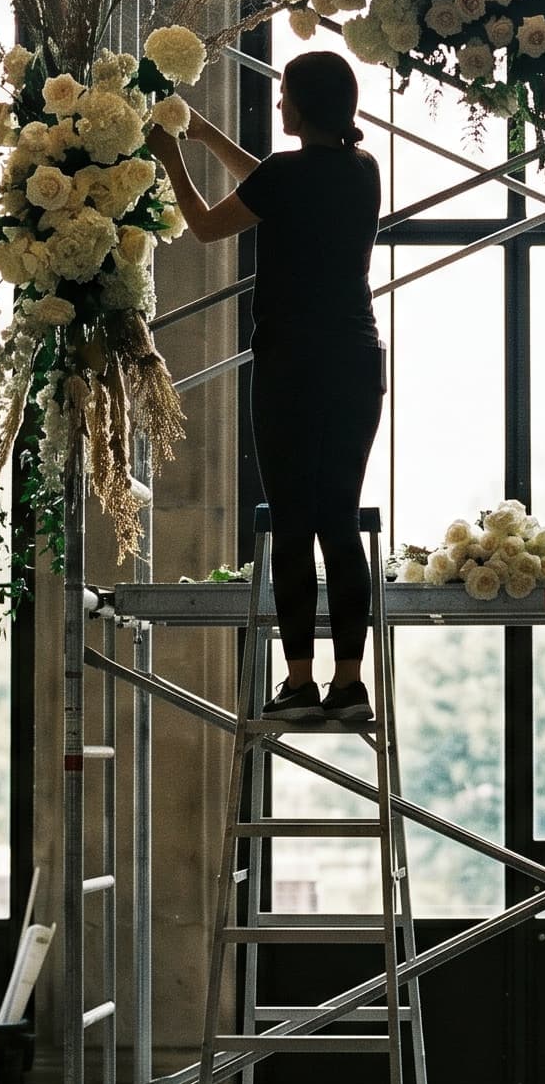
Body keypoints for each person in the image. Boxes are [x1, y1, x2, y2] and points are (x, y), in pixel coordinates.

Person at [147, 52, 385, 725]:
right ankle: (349, 683)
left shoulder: (286, 175)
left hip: (290, 364)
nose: (278, 106)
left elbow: (208, 223)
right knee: (339, 518)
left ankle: (298, 681)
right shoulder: (363, 170)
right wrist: (209, 135)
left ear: (301, 106)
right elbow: (275, 185)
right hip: (356, 363)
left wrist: (172, 155)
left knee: (290, 520)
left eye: (284, 97)